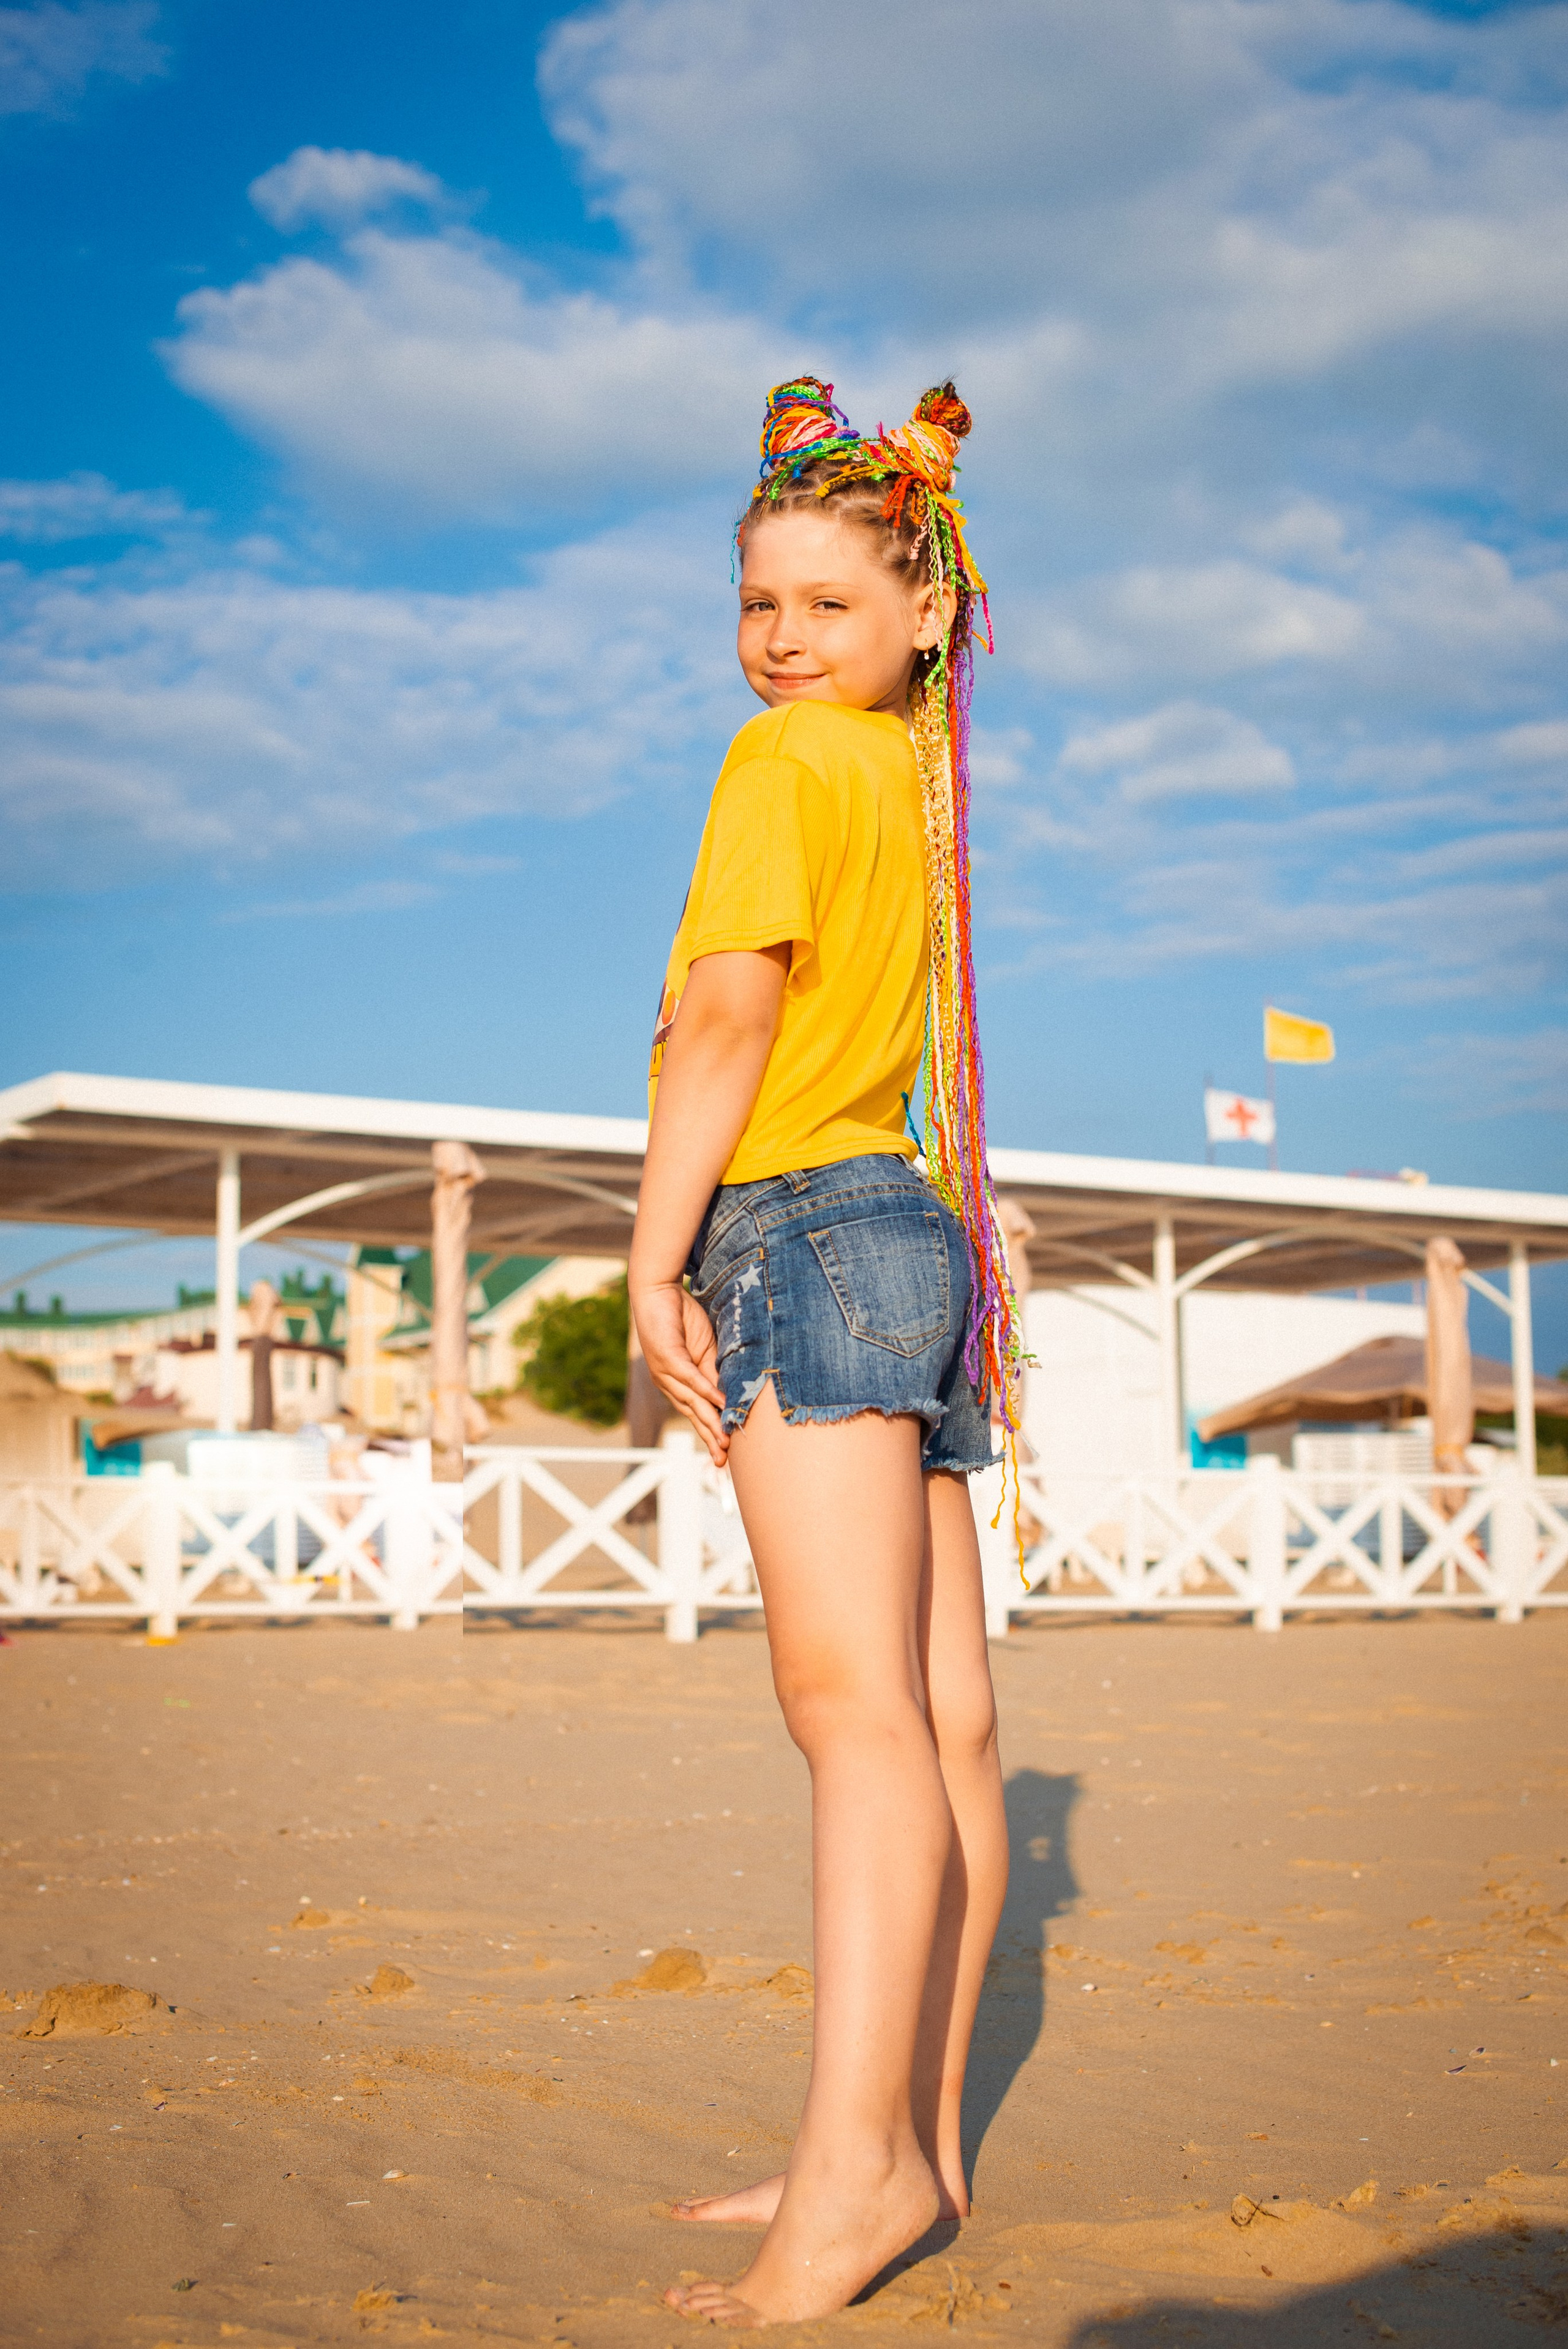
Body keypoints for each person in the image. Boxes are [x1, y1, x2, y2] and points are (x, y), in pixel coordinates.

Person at [628, 376, 1024, 2328]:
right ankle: (908, 2151)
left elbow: (728, 1014)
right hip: (907, 1225)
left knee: (851, 1713)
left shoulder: (784, 765)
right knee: (943, 1720)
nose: (781, 639)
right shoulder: (909, 786)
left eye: (824, 603)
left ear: (924, 607)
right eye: (756, 601)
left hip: (798, 1216)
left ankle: (857, 2176)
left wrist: (650, 1254)